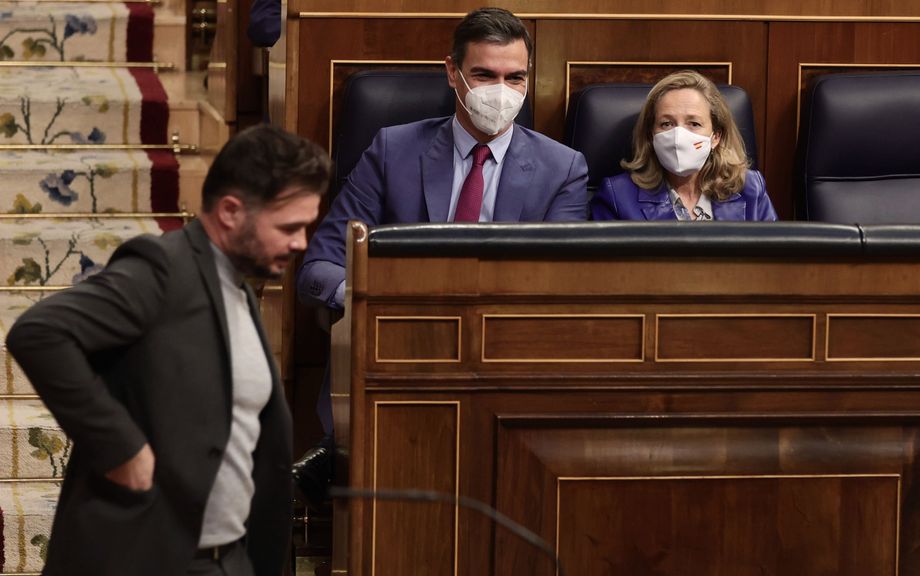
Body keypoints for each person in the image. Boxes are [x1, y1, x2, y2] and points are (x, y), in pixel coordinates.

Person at [291, 7, 589, 501]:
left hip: (503, 358)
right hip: (397, 349)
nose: (501, 90)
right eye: (484, 75)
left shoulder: (562, 169)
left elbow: (556, 288)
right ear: (453, 73)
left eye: (515, 77)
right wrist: (372, 301)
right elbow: (318, 269)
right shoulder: (393, 150)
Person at [6, 124, 331, 576]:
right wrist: (121, 447)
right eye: (289, 227)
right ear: (232, 211)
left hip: (230, 559)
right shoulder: (162, 269)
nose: (300, 243)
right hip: (150, 558)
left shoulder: (238, 286)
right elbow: (39, 333)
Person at [591, 70, 777, 222]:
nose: (678, 136)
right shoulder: (618, 196)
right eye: (667, 124)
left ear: (716, 137)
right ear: (651, 135)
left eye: (694, 124)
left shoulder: (751, 189)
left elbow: (774, 263)